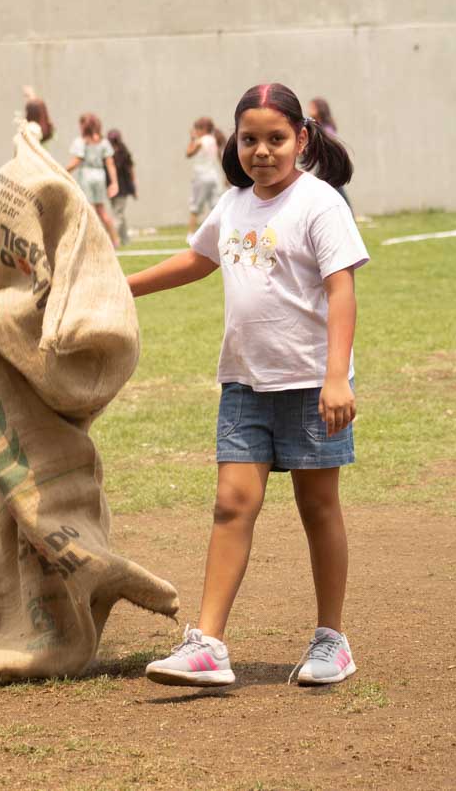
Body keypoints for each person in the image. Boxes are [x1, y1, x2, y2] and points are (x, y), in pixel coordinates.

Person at [128, 82, 369, 688]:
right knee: (231, 505)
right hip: (245, 383)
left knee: (318, 508)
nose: (262, 151)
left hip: (311, 385)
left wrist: (336, 377)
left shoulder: (319, 203)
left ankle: (331, 639)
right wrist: (122, 287)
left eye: (276, 139)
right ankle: (208, 644)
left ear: (302, 139)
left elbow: (341, 290)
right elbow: (197, 260)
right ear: (234, 143)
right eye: (250, 139)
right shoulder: (233, 204)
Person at [66, 114, 120, 248]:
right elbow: (110, 163)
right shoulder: (103, 142)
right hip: (100, 175)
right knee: (101, 210)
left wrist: (62, 171)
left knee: (88, 210)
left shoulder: (81, 142)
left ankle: (91, 241)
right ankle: (115, 240)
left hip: (86, 175)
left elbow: (77, 160)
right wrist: (114, 183)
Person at [307, 98, 353, 212]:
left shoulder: (326, 129)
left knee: (335, 191)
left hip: (330, 167)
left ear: (320, 109)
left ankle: (348, 213)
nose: (309, 110)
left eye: (312, 107)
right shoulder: (318, 126)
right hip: (323, 166)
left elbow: (326, 147)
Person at [186, 117, 223, 235]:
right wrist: (225, 176)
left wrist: (192, 139)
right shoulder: (213, 140)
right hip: (213, 177)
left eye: (196, 128)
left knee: (195, 207)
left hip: (201, 177)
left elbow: (189, 153)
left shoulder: (200, 141)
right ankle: (219, 232)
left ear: (202, 129)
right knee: (215, 206)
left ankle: (190, 233)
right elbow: (219, 158)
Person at [107, 129, 138, 246]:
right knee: (120, 214)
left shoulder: (123, 152)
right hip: (111, 188)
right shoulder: (107, 153)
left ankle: (112, 240)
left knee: (118, 214)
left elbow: (130, 169)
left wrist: (134, 187)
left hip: (123, 188)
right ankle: (125, 239)